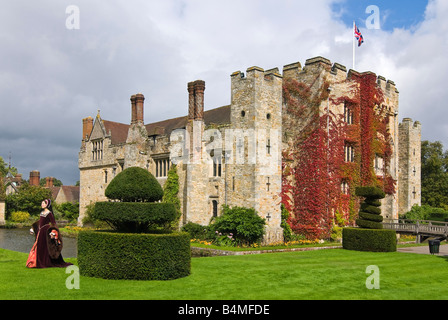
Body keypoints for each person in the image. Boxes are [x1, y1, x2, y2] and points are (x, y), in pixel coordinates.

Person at [26, 199, 72, 268]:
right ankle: (39, 261)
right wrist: (33, 229)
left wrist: (53, 232)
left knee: (46, 247)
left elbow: (53, 223)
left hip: (46, 232)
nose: (42, 204)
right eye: (41, 203)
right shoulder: (42, 213)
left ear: (47, 205)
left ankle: (45, 262)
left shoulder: (49, 213)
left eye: (43, 203)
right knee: (39, 246)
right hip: (41, 232)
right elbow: (40, 222)